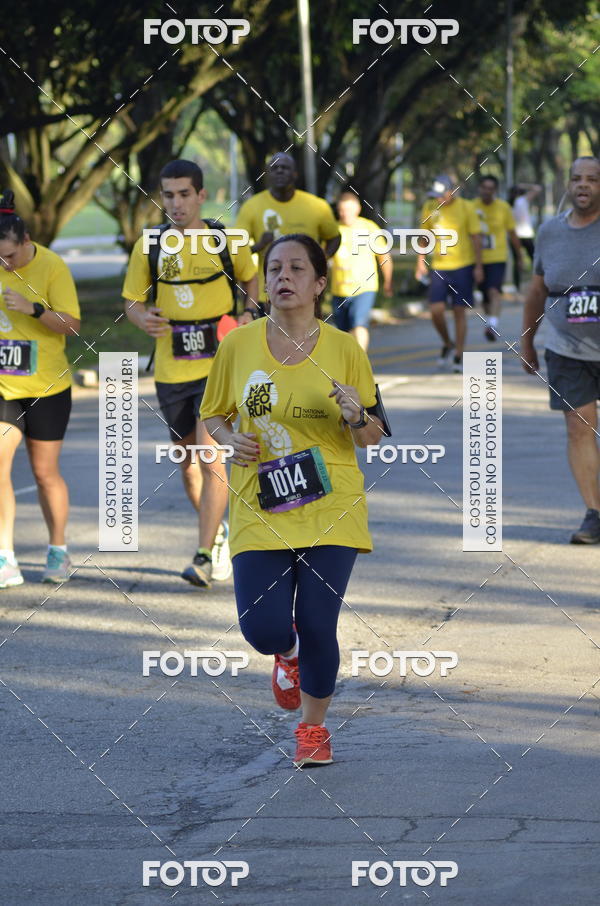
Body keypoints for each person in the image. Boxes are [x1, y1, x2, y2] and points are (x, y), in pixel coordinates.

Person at [201, 234, 385, 767]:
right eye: (275, 268)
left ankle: (313, 729)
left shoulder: (346, 349)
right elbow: (214, 413)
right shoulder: (237, 345)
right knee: (263, 628)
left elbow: (371, 434)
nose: (284, 277)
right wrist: (227, 438)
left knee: (320, 621)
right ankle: (286, 655)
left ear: (319, 283)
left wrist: (355, 416)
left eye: (297, 268)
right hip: (261, 503)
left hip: (332, 505)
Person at [123, 160, 258, 587]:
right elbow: (131, 300)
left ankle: (203, 553)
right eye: (168, 195)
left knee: (209, 453)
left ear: (201, 195)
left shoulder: (226, 239)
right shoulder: (150, 244)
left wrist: (247, 316)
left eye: (184, 194)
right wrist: (143, 319)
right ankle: (217, 536)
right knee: (187, 464)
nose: (176, 203)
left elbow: (253, 279)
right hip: (170, 365)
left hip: (220, 361)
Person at [0, 191, 81, 587]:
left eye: (10, 256)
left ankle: (58, 550)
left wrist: (32, 308)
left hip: (48, 385)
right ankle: (5, 556)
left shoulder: (51, 265)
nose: (4, 263)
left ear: (27, 241)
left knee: (44, 472)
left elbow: (72, 326)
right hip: (4, 387)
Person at [521, 157, 600, 543]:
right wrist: (527, 342)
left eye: (592, 179)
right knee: (578, 426)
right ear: (568, 185)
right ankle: (594, 513)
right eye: (577, 178)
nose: (583, 185)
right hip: (566, 348)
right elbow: (537, 290)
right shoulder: (550, 231)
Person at [235, 152, 341, 314]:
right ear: (268, 174)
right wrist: (259, 245)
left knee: (310, 339)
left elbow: (334, 237)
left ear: (295, 174)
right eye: (274, 168)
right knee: (269, 339)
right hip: (268, 293)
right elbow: (236, 249)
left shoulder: (316, 206)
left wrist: (321, 260)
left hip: (307, 292)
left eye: (285, 168)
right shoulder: (252, 206)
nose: (279, 171)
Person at [415, 174, 483, 373]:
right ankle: (447, 342)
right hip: (439, 266)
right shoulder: (429, 207)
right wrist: (420, 262)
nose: (438, 199)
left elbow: (476, 237)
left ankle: (458, 355)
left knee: (459, 311)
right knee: (436, 310)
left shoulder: (466, 207)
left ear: (451, 191)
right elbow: (424, 236)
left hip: (463, 266)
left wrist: (479, 266)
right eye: (435, 195)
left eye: (441, 195)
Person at [330, 188, 393, 351]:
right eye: (342, 210)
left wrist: (388, 281)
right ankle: (351, 364)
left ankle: (361, 361)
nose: (345, 214)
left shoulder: (369, 228)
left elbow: (384, 256)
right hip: (339, 289)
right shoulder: (332, 230)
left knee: (359, 326)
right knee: (344, 333)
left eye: (349, 209)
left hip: (364, 287)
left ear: (357, 209)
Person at [471, 175, 522, 340]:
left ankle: (492, 325)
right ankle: (490, 319)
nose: (487, 191)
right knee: (485, 296)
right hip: (477, 258)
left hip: (497, 257)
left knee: (494, 291)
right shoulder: (471, 207)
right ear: (479, 188)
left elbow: (512, 233)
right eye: (484, 187)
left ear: (495, 190)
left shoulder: (503, 207)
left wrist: (519, 255)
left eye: (490, 188)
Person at [510, 183, 542, 290]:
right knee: (534, 259)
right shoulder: (522, 200)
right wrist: (525, 185)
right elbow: (537, 188)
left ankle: (517, 287)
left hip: (514, 235)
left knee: (517, 261)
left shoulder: (509, 203)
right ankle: (537, 282)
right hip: (526, 234)